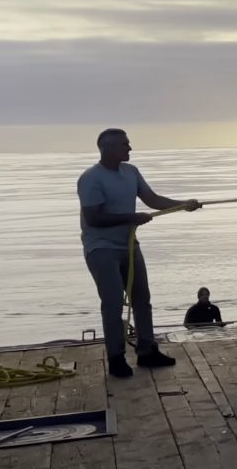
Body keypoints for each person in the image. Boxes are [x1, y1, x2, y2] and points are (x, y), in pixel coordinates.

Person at [78, 127, 199, 378]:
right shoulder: (91, 178)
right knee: (112, 304)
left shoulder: (131, 172)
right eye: (125, 144)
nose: (130, 148)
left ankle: (147, 351)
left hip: (129, 246)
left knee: (142, 300)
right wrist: (131, 217)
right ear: (107, 148)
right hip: (101, 248)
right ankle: (116, 357)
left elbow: (152, 200)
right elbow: (94, 218)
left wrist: (183, 205)